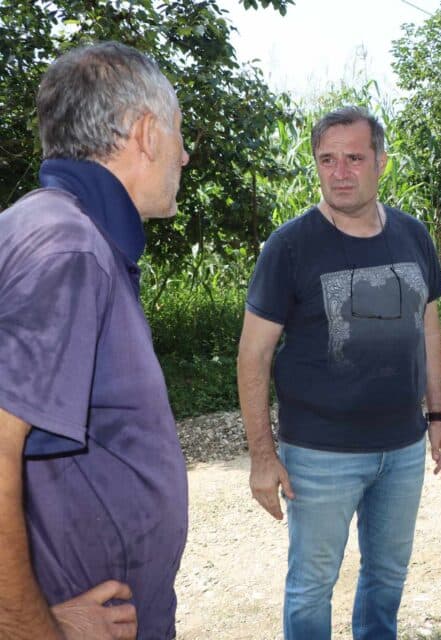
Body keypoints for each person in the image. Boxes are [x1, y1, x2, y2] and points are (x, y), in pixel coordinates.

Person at [237, 106, 441, 640]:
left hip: (403, 449)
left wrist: (439, 415)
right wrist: (263, 457)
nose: (340, 172)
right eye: (327, 159)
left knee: (387, 579)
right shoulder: (289, 246)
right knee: (311, 588)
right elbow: (253, 356)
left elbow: (429, 329)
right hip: (319, 455)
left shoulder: (412, 235)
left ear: (380, 161)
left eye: (354, 158)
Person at [0, 42, 190, 639]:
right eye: (179, 135)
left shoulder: (44, 227)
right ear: (144, 133)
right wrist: (33, 629)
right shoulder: (69, 247)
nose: (185, 156)